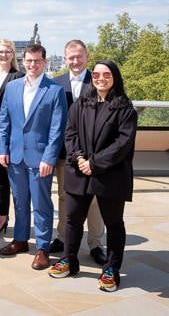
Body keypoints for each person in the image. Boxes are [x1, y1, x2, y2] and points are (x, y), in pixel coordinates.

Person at [48, 61, 137, 293]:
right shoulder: (81, 104)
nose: (100, 78)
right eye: (96, 74)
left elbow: (122, 144)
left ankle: (111, 270)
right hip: (79, 170)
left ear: (115, 77)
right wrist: (79, 159)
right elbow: (70, 133)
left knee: (114, 224)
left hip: (110, 174)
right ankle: (69, 259)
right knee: (73, 219)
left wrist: (94, 164)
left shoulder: (125, 109)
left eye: (106, 74)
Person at [0, 44, 67, 271]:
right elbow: (4, 121)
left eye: (37, 61)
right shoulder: (12, 87)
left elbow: (57, 129)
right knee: (19, 202)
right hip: (15, 156)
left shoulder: (54, 90)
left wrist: (49, 158)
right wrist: (2, 149)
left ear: (44, 62)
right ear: (23, 60)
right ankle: (19, 240)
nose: (32, 65)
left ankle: (43, 248)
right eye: (29, 60)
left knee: (41, 204)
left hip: (41, 159)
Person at [51, 39, 107, 265]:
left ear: (87, 57)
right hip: (65, 153)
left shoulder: (99, 81)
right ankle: (62, 237)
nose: (75, 61)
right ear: (65, 59)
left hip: (92, 154)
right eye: (71, 57)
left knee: (94, 200)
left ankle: (95, 244)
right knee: (65, 197)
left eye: (79, 57)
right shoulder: (55, 83)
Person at [0, 39, 24, 237]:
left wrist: (1, 131)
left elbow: (18, 109)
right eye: (0, 51)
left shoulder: (19, 76)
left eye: (8, 51)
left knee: (5, 181)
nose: (4, 55)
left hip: (5, 137)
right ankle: (2, 216)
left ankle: (2, 218)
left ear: (13, 54)